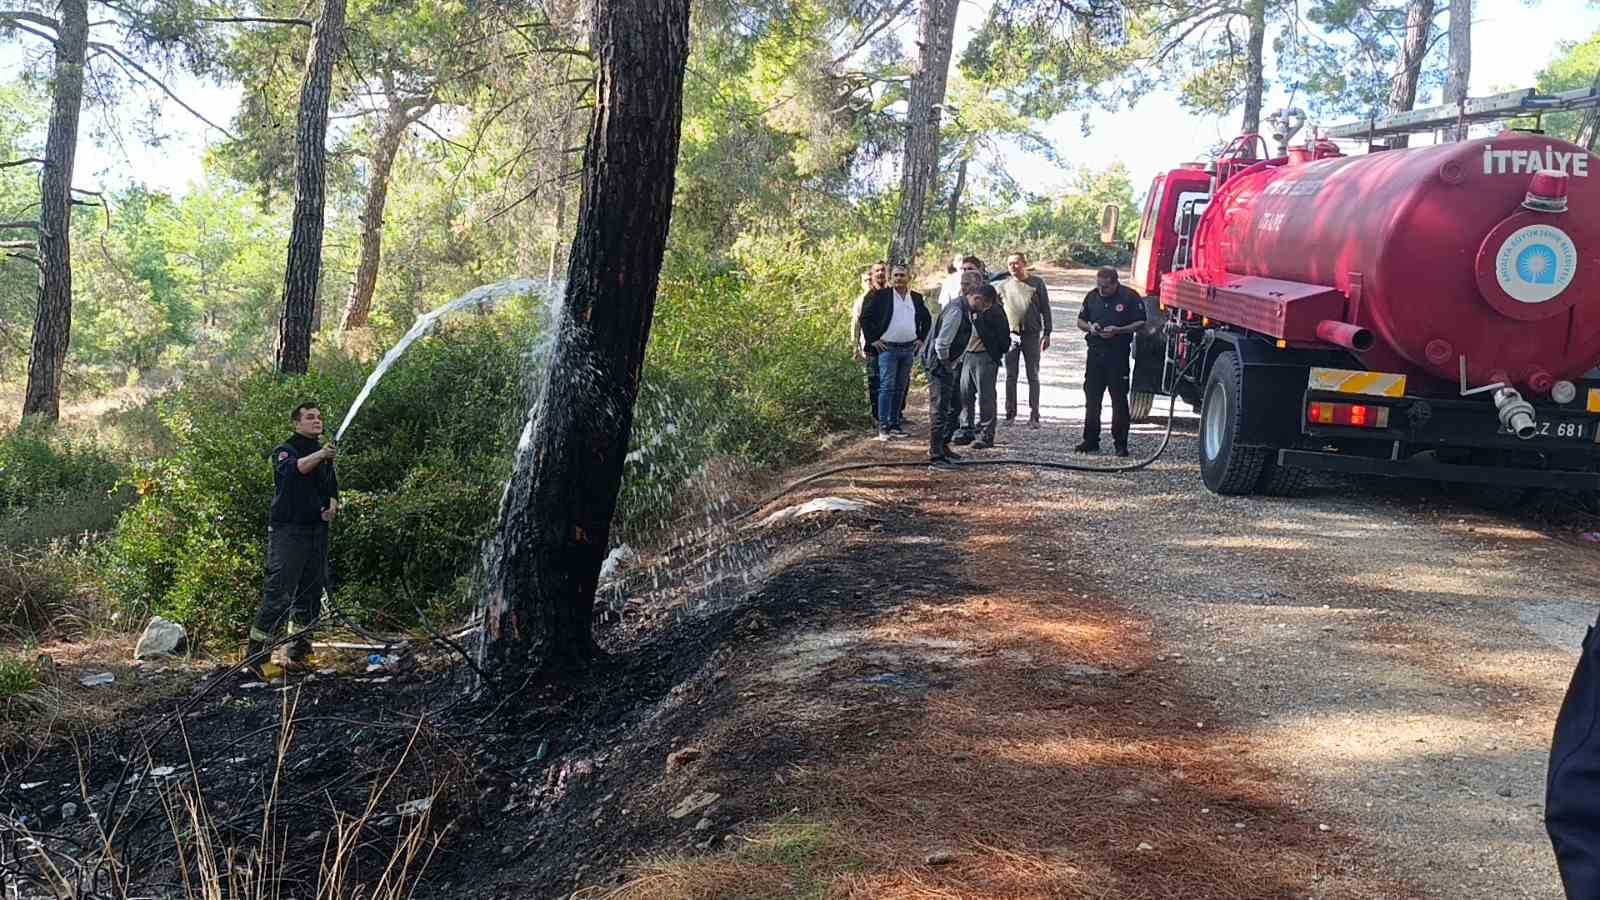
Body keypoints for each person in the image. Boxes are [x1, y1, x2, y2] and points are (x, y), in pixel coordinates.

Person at [246, 402, 340, 677]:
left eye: (319, 417)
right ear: (297, 424)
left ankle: (297, 654)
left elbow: (330, 483)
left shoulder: (324, 454)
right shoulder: (286, 451)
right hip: (289, 532)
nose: (317, 421)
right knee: (279, 595)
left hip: (316, 532)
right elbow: (294, 471)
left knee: (310, 595)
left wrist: (333, 503)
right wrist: (322, 454)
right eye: (310, 417)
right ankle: (258, 659)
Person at [923, 274, 993, 470]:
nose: (985, 309)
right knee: (939, 409)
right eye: (985, 305)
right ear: (978, 298)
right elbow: (942, 344)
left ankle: (943, 446)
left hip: (949, 364)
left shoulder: (967, 309)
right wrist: (947, 364)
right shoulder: (956, 310)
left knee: (955, 404)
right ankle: (935, 454)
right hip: (939, 365)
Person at [1075, 267, 1145, 457]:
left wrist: (1119, 330)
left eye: (1105, 287)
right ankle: (1090, 440)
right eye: (1098, 285)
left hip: (1118, 353)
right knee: (1092, 398)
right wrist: (1091, 327)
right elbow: (1080, 321)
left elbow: (1140, 323)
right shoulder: (1092, 296)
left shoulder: (1130, 297)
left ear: (1115, 283)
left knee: (1119, 400)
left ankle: (1120, 443)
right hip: (1095, 353)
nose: (1101, 290)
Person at [860, 263, 931, 441]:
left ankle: (895, 423)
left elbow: (927, 319)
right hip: (887, 349)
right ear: (891, 278)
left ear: (909, 278)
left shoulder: (915, 298)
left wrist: (921, 339)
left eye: (902, 275)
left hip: (908, 348)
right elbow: (865, 318)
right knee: (887, 386)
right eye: (896, 275)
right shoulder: (881, 296)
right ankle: (883, 427)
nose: (899, 278)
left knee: (900, 387)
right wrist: (873, 339)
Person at [952, 276, 1012, 450]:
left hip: (985, 357)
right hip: (968, 355)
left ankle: (987, 433)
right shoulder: (965, 308)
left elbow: (1003, 339)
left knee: (986, 396)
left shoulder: (995, 312)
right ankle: (966, 429)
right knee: (965, 394)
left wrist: (995, 354)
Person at [995, 252, 1053, 428]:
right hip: (1011, 335)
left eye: (1016, 263)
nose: (1013, 267)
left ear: (1024, 263)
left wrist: (1048, 332)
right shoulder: (1003, 286)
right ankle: (1010, 414)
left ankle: (1034, 415)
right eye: (1010, 264)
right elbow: (997, 311)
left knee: (1032, 375)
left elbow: (1045, 308)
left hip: (1032, 335)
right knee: (1011, 376)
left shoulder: (1037, 283)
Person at [850, 263, 888, 428]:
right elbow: (856, 323)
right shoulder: (862, 300)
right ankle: (876, 416)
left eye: (882, 271)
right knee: (874, 381)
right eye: (865, 280)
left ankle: (890, 415)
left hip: (889, 346)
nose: (868, 282)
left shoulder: (889, 295)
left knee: (888, 381)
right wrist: (855, 345)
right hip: (869, 346)